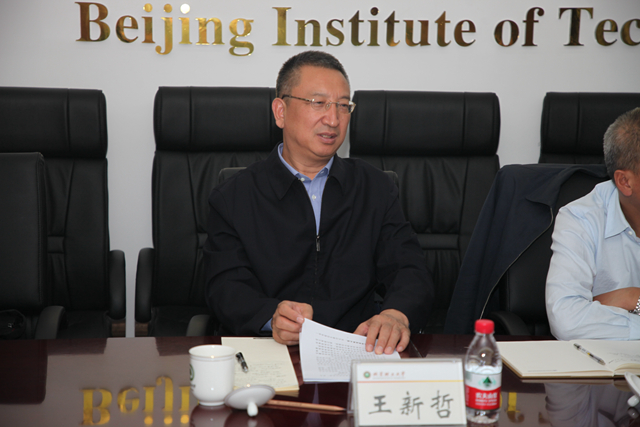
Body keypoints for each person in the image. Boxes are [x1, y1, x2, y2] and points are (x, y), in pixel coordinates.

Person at [204, 50, 433, 354]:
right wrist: (270, 317)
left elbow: (410, 269)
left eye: (343, 105)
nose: (334, 119)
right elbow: (224, 286)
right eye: (318, 103)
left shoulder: (375, 188)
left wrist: (395, 314)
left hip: (357, 347)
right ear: (280, 112)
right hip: (269, 349)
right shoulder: (233, 197)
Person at [546, 107, 640, 340]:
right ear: (625, 181)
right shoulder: (580, 219)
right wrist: (635, 298)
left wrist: (624, 300)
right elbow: (567, 320)